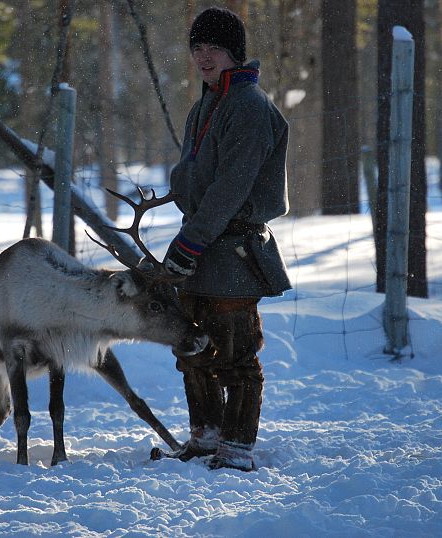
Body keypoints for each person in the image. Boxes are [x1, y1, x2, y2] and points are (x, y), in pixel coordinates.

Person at [162, 6, 291, 472]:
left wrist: (188, 244)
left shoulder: (250, 108)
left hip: (234, 251)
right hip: (202, 247)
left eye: (213, 47)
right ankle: (206, 436)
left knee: (235, 356)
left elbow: (230, 189)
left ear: (235, 52)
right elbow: (197, 182)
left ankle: (236, 448)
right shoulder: (204, 105)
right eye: (197, 48)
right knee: (193, 349)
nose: (203, 56)